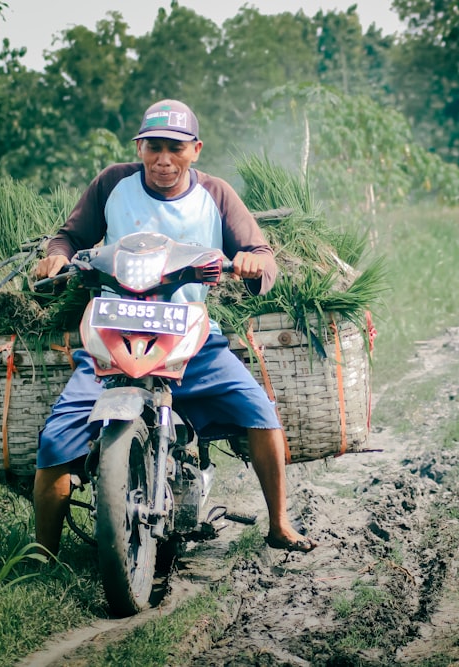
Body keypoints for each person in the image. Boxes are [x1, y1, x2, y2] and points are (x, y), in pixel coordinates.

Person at [32, 99, 317, 557]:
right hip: (113, 333)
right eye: (154, 148)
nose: (164, 160)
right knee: (56, 438)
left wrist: (250, 262)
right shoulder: (112, 184)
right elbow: (70, 236)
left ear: (196, 150)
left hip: (190, 337)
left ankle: (280, 523)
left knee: (260, 412)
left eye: (175, 149)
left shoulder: (217, 194)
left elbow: (263, 257)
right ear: (139, 147)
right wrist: (58, 256)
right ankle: (42, 554)